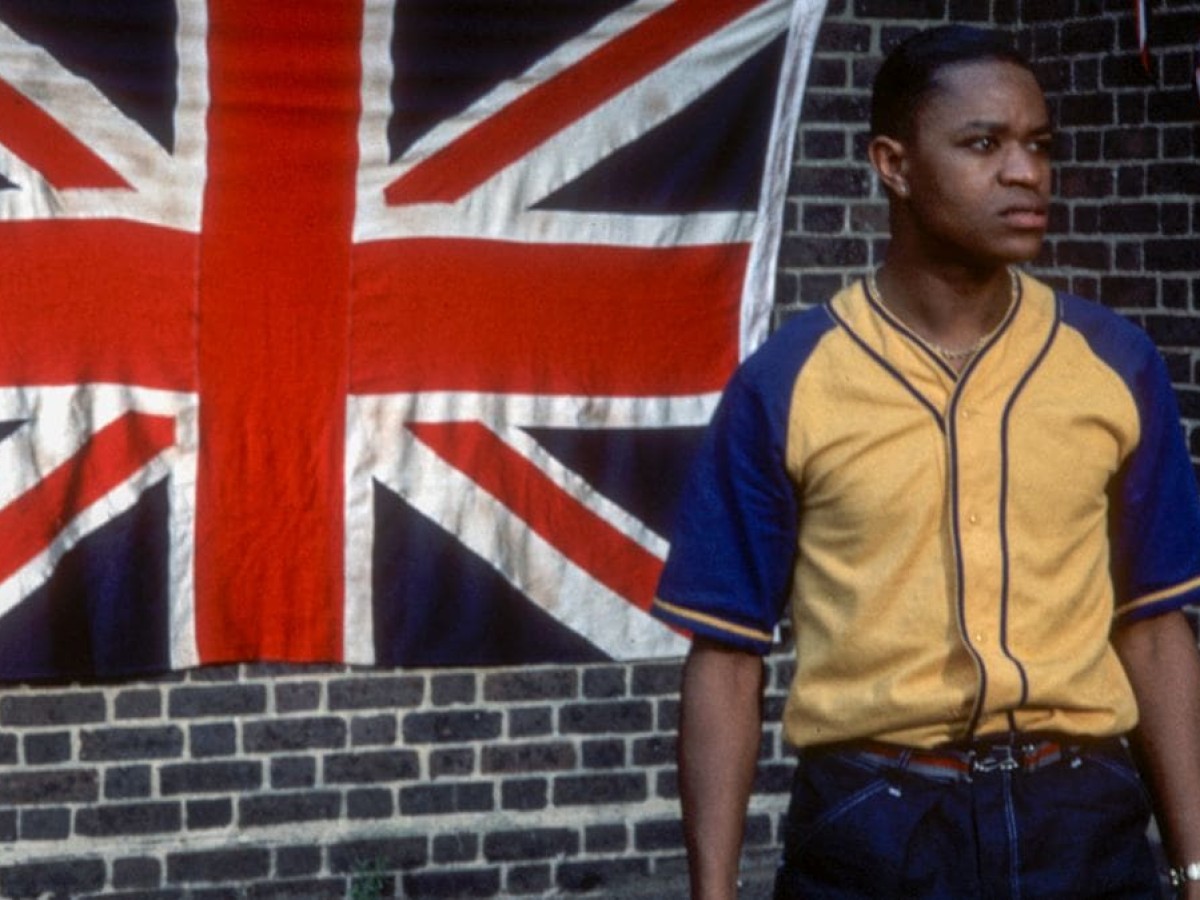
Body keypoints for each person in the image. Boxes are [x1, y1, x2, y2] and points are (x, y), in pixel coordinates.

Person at [652, 24, 1200, 900]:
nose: (1025, 172)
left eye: (1038, 146)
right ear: (893, 164)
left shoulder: (1115, 363)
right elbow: (725, 657)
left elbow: (1155, 625)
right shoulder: (790, 381)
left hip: (1084, 817)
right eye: (983, 144)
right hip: (875, 823)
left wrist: (1196, 864)